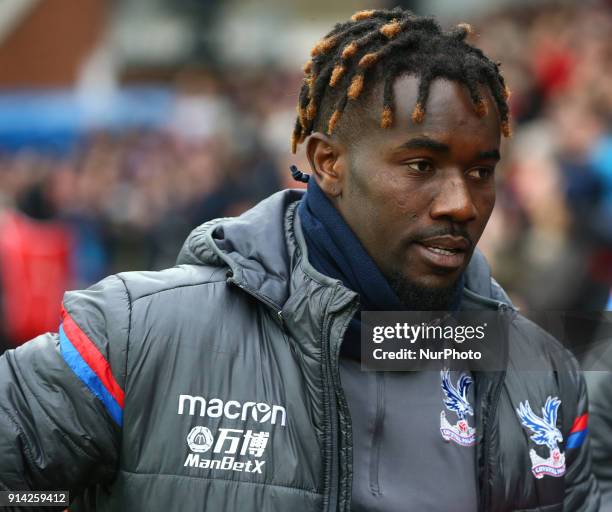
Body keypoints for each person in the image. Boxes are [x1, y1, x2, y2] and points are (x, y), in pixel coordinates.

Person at [0, 8, 600, 511]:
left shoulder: (539, 375)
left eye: (481, 171)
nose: (461, 204)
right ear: (328, 162)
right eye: (421, 165)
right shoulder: (137, 336)